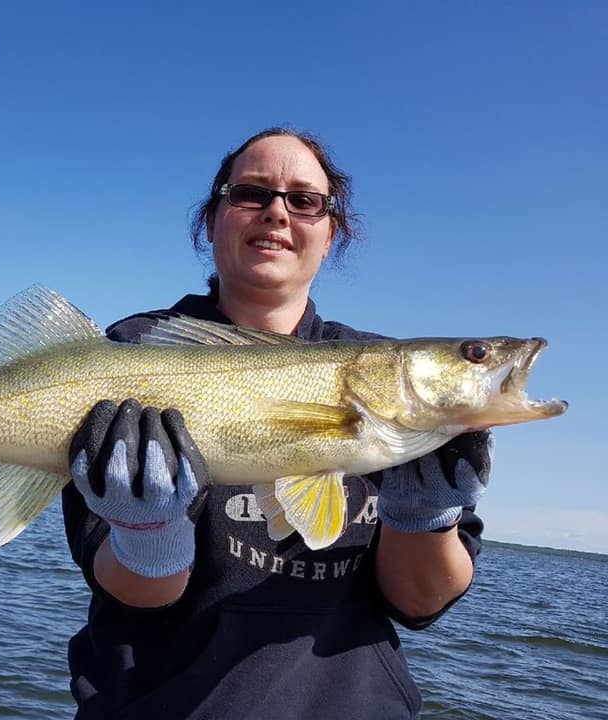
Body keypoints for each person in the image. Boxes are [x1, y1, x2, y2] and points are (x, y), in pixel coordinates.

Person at [61, 127, 491, 719]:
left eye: (304, 200)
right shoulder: (131, 354)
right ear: (212, 218)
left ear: (330, 231)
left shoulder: (384, 375)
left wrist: (424, 518)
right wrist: (146, 536)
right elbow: (133, 594)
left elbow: (418, 603)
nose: (277, 214)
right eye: (250, 194)